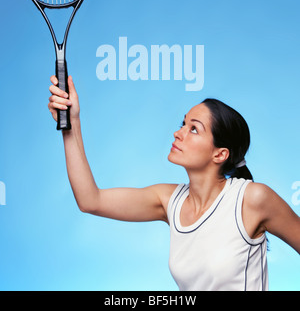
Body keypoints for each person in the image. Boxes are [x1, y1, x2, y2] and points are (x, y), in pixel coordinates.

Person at [48, 75, 300, 291]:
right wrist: (72, 123)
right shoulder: (168, 200)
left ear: (220, 154)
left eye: (194, 129)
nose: (178, 133)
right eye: (183, 123)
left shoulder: (252, 199)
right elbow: (91, 200)